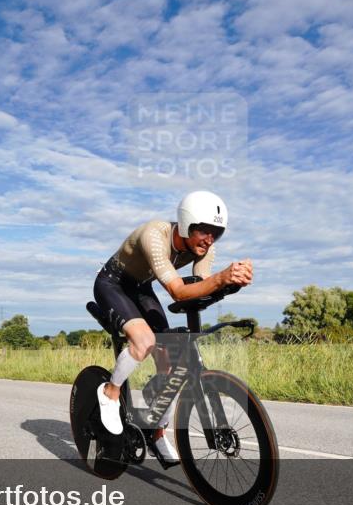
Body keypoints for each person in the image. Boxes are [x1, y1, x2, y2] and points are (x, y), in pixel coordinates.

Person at [92, 190, 253, 462]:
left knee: (169, 362)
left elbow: (200, 286)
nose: (210, 239)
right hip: (113, 283)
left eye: (217, 233)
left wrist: (232, 282)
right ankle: (110, 392)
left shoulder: (205, 248)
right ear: (187, 224)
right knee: (144, 341)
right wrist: (221, 278)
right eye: (205, 230)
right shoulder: (155, 235)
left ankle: (156, 433)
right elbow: (178, 292)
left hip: (142, 288)